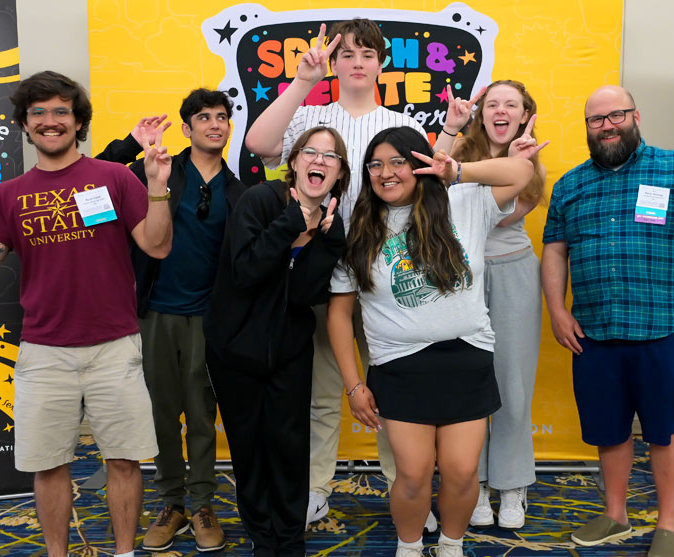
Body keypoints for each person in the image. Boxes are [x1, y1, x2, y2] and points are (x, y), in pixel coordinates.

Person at [0, 70, 172, 557]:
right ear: (24, 123)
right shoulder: (9, 194)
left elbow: (157, 245)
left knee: (125, 461)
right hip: (43, 354)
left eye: (61, 110)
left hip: (114, 347)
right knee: (49, 466)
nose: (49, 120)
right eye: (37, 112)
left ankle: (125, 553)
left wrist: (158, 186)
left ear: (79, 122)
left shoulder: (114, 177)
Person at [245, 18, 448, 529]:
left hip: (388, 272)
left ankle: (406, 486)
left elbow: (428, 189)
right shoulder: (312, 117)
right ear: (333, 63)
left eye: (367, 54)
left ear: (382, 63)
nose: (358, 63)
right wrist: (302, 82)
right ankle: (316, 486)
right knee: (322, 388)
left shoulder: (399, 121)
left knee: (393, 388)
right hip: (321, 270)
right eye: (348, 54)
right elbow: (259, 143)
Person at [541, 85, 674, 557]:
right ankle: (615, 515)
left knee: (665, 429)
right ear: (588, 127)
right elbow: (555, 250)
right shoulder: (570, 185)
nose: (607, 126)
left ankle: (667, 526)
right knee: (609, 429)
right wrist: (557, 309)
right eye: (596, 119)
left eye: (616, 115)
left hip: (666, 327)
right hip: (595, 330)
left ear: (635, 116)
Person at [328, 126, 533, 557]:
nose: (385, 172)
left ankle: (451, 545)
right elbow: (339, 315)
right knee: (413, 475)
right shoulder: (359, 229)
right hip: (399, 367)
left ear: (421, 165)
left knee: (461, 473)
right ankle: (409, 547)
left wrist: (457, 170)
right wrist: (353, 385)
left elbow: (521, 172)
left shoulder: (465, 201)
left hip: (467, 359)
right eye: (375, 165)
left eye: (397, 162)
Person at [96, 89, 247, 552]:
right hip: (155, 314)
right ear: (186, 128)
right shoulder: (156, 168)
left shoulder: (239, 190)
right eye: (203, 117)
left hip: (208, 318)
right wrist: (130, 145)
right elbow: (90, 187)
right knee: (161, 412)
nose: (214, 124)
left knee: (201, 413)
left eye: (221, 117)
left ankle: (202, 504)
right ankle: (172, 503)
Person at [204, 126, 348, 556]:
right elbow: (246, 271)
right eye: (310, 152)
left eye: (330, 156)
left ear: (340, 173)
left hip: (289, 351)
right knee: (249, 449)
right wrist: (292, 225)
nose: (319, 161)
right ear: (294, 161)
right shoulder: (261, 200)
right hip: (234, 349)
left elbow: (302, 294)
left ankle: (289, 538)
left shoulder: (333, 224)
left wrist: (320, 243)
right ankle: (263, 539)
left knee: (289, 447)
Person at [436, 80, 549, 529]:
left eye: (511, 105)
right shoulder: (458, 152)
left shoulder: (529, 160)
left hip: (513, 273)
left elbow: (498, 215)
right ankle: (476, 482)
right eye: (492, 104)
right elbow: (428, 192)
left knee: (513, 386)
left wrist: (518, 161)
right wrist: (452, 131)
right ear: (480, 114)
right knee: (466, 384)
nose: (501, 111)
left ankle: (513, 483)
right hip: (460, 276)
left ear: (524, 115)